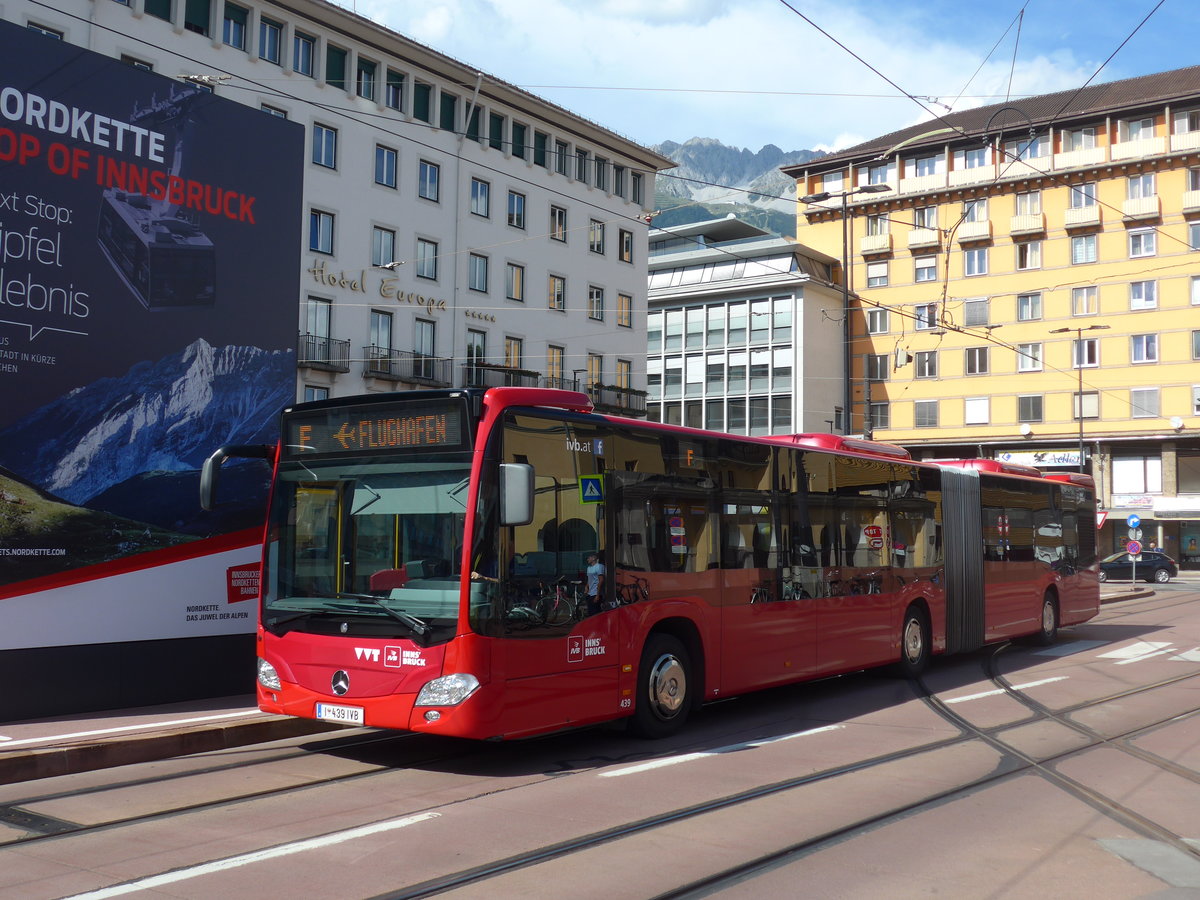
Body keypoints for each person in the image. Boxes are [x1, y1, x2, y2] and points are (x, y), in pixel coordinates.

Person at [585, 551, 606, 615]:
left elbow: (601, 580)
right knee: (590, 613)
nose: (587, 559)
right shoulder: (588, 568)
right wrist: (586, 587)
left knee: (595, 613)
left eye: (588, 558)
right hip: (590, 594)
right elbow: (589, 580)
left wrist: (597, 595)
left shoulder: (599, 566)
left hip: (596, 593)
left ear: (594, 558)